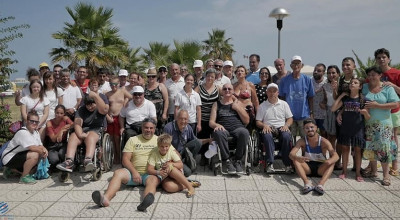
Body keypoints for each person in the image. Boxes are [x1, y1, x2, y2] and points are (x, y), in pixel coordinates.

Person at [91, 118, 160, 212]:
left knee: (153, 180)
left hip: (150, 173)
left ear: (154, 129)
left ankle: (145, 202)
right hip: (133, 173)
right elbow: (125, 159)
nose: (148, 130)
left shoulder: (159, 140)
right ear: (142, 128)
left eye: (151, 128)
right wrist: (134, 172)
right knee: (118, 173)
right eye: (146, 127)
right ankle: (105, 198)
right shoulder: (133, 140)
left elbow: (173, 154)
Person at [362, 66, 399, 186]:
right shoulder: (365, 87)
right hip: (369, 123)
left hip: (384, 125)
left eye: (374, 74)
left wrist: (377, 105)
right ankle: (373, 171)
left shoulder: (387, 87)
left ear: (380, 76)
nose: (372, 77)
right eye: (369, 75)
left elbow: (395, 104)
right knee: (371, 148)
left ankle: (386, 175)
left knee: (384, 150)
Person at [56, 91, 109, 172]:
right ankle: (69, 161)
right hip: (83, 129)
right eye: (88, 105)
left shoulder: (100, 108)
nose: (90, 107)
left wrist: (95, 95)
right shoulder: (81, 110)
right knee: (73, 136)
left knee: (90, 136)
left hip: (96, 130)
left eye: (92, 104)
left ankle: (88, 160)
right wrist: (80, 134)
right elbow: (77, 123)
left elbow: (105, 109)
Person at [332, 77, 369, 182]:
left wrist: (364, 112)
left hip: (358, 129)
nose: (352, 84)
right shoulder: (346, 99)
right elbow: (333, 109)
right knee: (345, 149)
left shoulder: (364, 99)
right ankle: (344, 171)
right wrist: (340, 97)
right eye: (351, 82)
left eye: (355, 83)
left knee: (358, 151)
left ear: (360, 86)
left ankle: (357, 172)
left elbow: (367, 117)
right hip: (345, 128)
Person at [289, 118, 339, 195]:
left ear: (316, 128)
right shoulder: (301, 141)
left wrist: (329, 161)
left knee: (332, 162)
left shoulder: (324, 141)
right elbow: (291, 154)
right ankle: (307, 183)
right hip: (307, 168)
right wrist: (297, 157)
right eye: (307, 128)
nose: (310, 129)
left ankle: (320, 185)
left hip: (320, 168)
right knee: (295, 160)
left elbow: (336, 156)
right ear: (304, 129)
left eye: (312, 127)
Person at [209, 83, 250, 174]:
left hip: (237, 127)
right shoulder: (216, 104)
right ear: (222, 92)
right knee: (219, 133)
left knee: (244, 132)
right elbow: (211, 122)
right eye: (225, 89)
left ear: (232, 91)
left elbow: (247, 120)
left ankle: (237, 160)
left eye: (229, 89)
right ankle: (227, 160)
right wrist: (217, 125)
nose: (227, 90)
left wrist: (237, 108)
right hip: (223, 129)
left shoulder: (238, 103)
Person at [1, 110, 48, 184]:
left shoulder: (35, 132)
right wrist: (43, 152)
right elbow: (32, 148)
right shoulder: (23, 132)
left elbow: (40, 145)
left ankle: (11, 169)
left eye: (36, 122)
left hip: (20, 155)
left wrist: (45, 150)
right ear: (27, 121)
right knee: (34, 155)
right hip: (9, 157)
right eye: (32, 121)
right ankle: (24, 177)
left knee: (34, 170)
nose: (34, 123)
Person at [256, 83, 293, 172]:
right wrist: (264, 125)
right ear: (267, 92)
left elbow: (290, 118)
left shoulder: (284, 104)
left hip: (281, 127)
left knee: (286, 136)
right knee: (267, 136)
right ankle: (270, 163)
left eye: (274, 91)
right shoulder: (262, 106)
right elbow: (258, 121)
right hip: (268, 127)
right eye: (270, 91)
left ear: (278, 92)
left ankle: (287, 164)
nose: (272, 93)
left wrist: (286, 125)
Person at [375, 48, 400, 176]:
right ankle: (373, 164)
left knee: (393, 137)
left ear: (389, 59)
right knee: (376, 138)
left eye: (384, 57)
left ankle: (395, 165)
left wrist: (393, 86)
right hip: (377, 112)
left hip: (393, 110)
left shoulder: (396, 73)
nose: (381, 59)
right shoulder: (375, 73)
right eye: (379, 57)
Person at [147, 133, 198, 198]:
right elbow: (149, 169)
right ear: (158, 146)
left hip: (175, 172)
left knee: (170, 167)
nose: (164, 148)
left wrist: (171, 164)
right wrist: (159, 172)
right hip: (164, 175)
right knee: (168, 187)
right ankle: (189, 184)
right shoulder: (154, 153)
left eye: (166, 146)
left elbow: (180, 165)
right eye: (162, 146)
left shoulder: (171, 152)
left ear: (169, 146)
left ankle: (190, 187)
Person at [279, 55, 315, 141]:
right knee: (290, 139)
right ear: (291, 66)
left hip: (304, 115)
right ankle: (292, 154)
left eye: (298, 63)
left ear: (302, 65)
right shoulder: (284, 80)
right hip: (289, 116)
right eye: (294, 63)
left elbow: (310, 97)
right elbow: (282, 98)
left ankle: (304, 154)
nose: (296, 66)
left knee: (306, 139)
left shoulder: (307, 80)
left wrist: (311, 113)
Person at [333, 57, 357, 170]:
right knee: (341, 139)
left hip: (355, 113)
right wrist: (334, 89)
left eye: (348, 65)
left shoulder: (357, 80)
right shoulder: (340, 79)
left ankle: (356, 165)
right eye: (343, 65)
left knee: (356, 140)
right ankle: (338, 163)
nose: (345, 67)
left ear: (354, 66)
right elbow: (337, 97)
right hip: (341, 113)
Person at [164, 110, 203, 177]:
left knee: (198, 143)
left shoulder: (188, 127)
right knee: (188, 172)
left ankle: (187, 162)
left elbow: (194, 141)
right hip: (171, 155)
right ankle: (177, 166)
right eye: (181, 119)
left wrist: (209, 140)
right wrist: (175, 151)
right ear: (177, 118)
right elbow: (164, 144)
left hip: (182, 152)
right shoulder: (168, 128)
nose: (183, 121)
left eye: (185, 119)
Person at [195, 68, 220, 163]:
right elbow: (191, 95)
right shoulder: (199, 87)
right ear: (205, 76)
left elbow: (228, 94)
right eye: (208, 76)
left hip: (214, 118)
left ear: (215, 78)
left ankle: (213, 156)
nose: (210, 78)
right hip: (202, 117)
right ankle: (203, 156)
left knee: (214, 138)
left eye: (212, 76)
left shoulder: (218, 88)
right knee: (203, 137)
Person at [144, 68, 169, 135]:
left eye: (153, 76)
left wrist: (164, 113)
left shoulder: (161, 86)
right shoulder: (144, 87)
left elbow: (166, 100)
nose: (151, 78)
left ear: (156, 77)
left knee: (160, 133)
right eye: (149, 76)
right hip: (148, 115)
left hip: (160, 114)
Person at [322, 65, 340, 151]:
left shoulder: (342, 85)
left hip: (339, 111)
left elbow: (337, 98)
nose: (331, 75)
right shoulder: (325, 86)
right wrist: (323, 103)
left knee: (339, 138)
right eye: (329, 73)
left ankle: (338, 161)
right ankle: (333, 159)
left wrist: (335, 89)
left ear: (338, 74)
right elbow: (326, 99)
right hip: (329, 112)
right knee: (330, 137)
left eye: (333, 72)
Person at [311, 63, 327, 135]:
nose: (316, 72)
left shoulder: (327, 82)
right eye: (315, 70)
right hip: (311, 114)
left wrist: (324, 101)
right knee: (311, 134)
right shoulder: (309, 81)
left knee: (324, 135)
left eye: (319, 70)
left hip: (323, 114)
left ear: (323, 72)